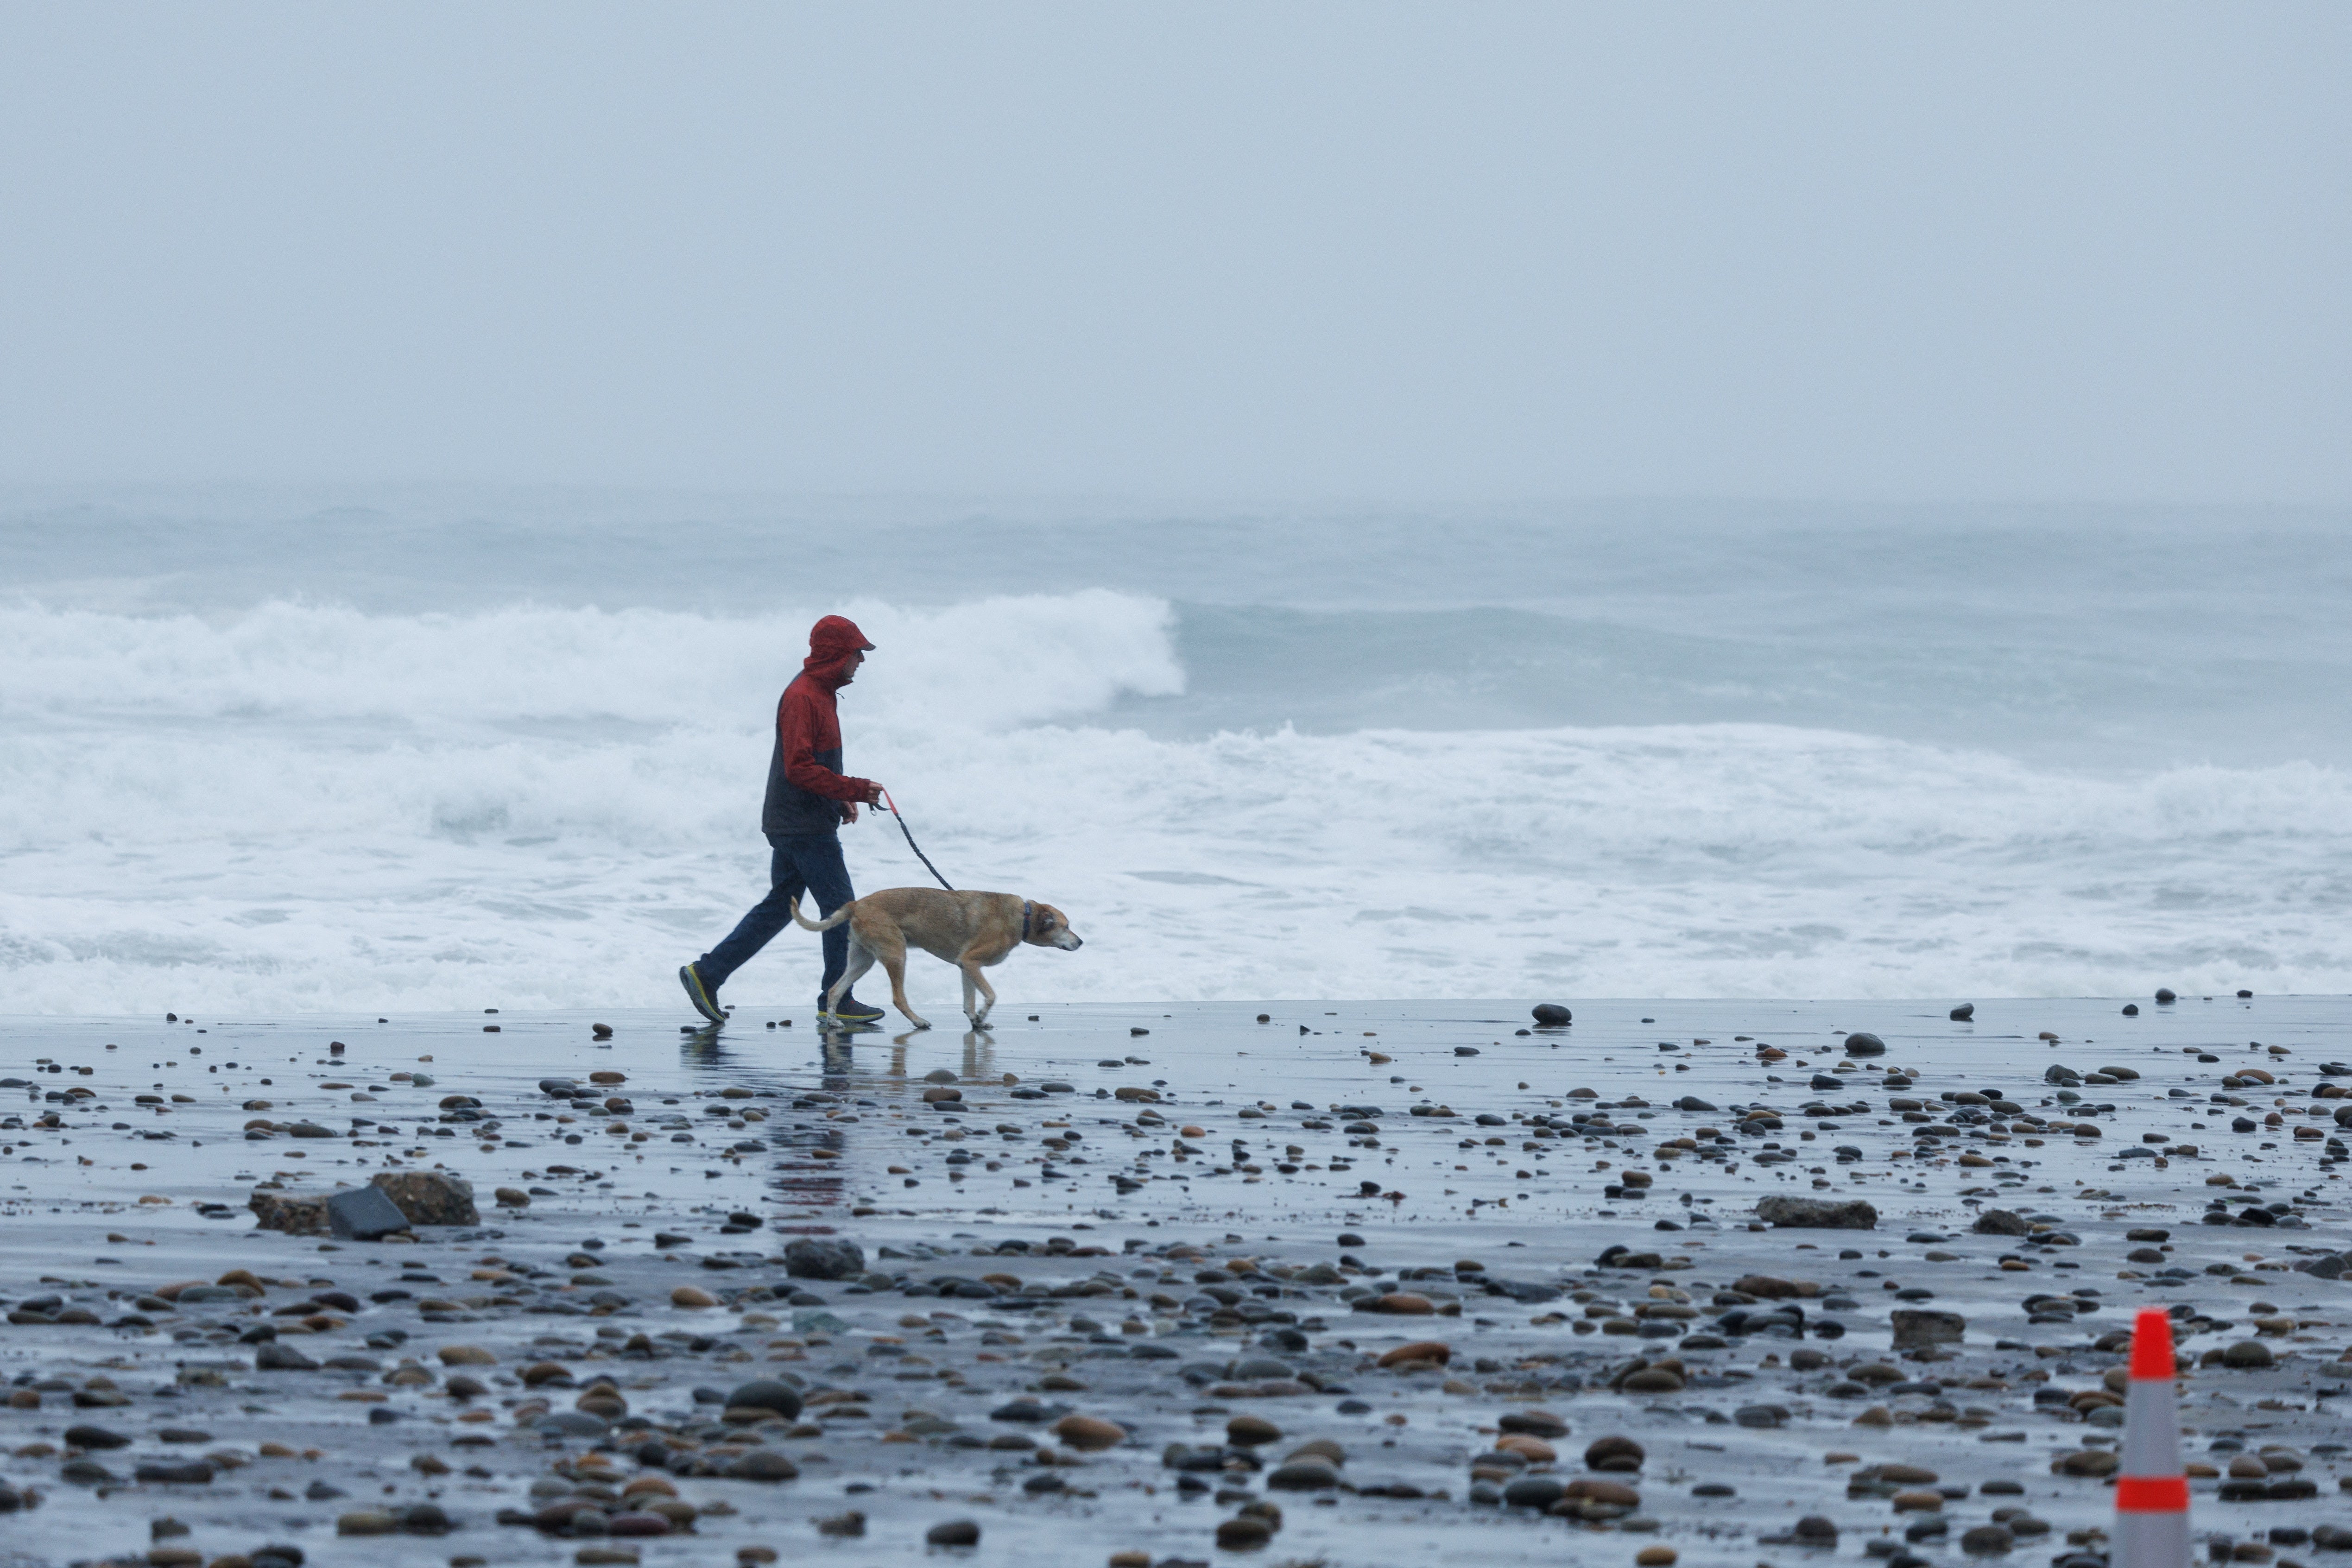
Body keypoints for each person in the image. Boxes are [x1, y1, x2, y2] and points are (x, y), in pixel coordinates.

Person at [679, 614, 887, 1024]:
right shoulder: (803, 696)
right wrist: (853, 789)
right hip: (800, 825)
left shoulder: (822, 692)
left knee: (780, 907)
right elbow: (798, 768)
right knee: (842, 909)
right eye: (857, 653)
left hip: (801, 819)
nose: (862, 661)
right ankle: (838, 999)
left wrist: (839, 799)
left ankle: (707, 974)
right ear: (836, 654)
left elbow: (816, 765)